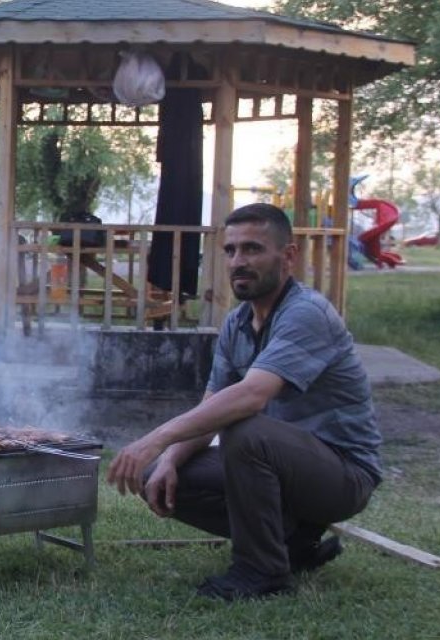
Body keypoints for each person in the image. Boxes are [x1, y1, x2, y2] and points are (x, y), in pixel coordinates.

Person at [107, 203, 381, 602]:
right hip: (283, 466)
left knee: (246, 431)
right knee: (160, 475)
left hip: (343, 474)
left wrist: (156, 438)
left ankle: (261, 572)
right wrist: (167, 458)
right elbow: (211, 406)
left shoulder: (306, 313)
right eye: (231, 250)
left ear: (287, 256)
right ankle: (294, 543)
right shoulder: (237, 323)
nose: (238, 261)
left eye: (253, 249)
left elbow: (252, 395)